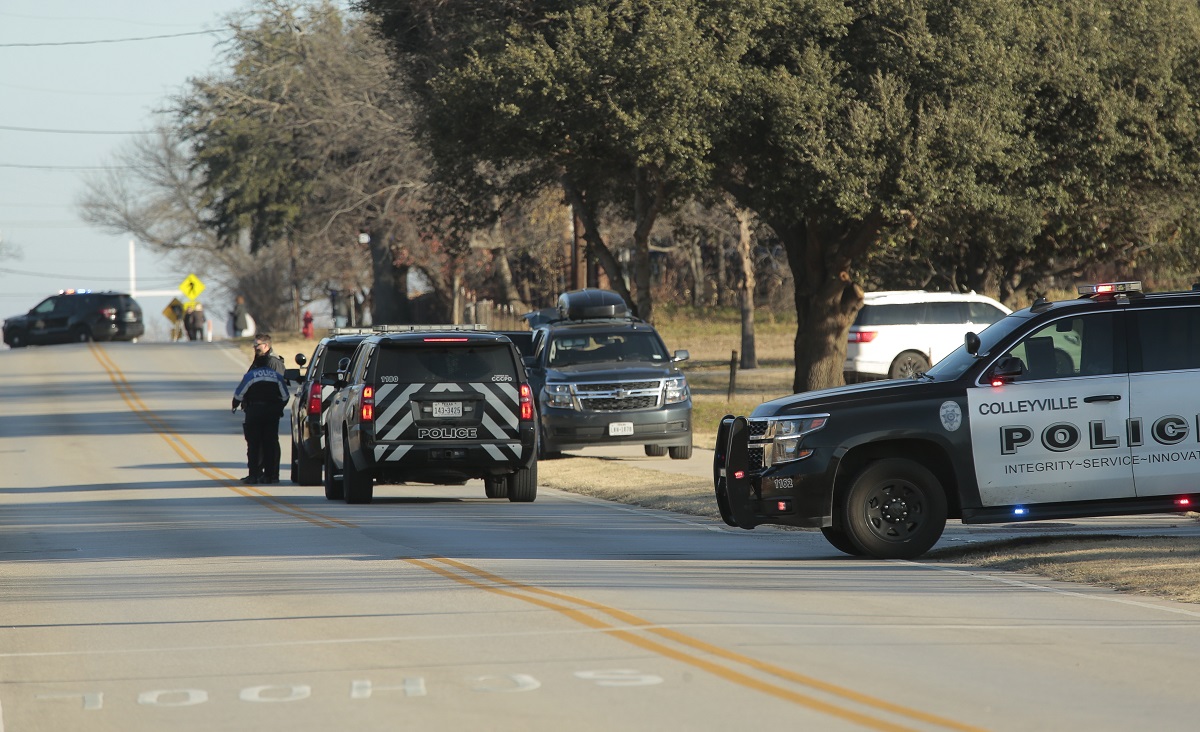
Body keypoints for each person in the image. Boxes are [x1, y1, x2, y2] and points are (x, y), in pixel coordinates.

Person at [232, 332, 290, 484]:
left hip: (256, 411)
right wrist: (278, 407)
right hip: (270, 412)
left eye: (257, 346)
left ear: (266, 346)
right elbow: (285, 395)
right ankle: (265, 474)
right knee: (268, 442)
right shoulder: (272, 372)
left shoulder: (271, 364)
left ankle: (261, 474)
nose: (254, 348)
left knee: (256, 443)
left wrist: (235, 405)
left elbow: (239, 393)